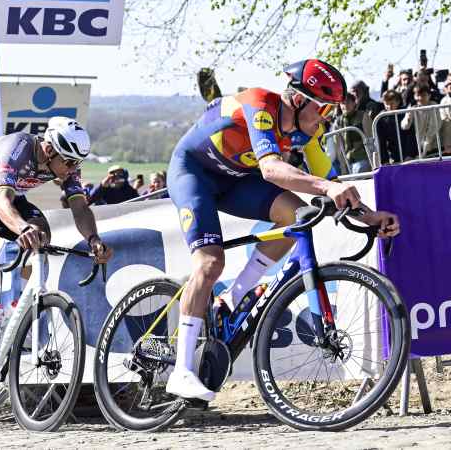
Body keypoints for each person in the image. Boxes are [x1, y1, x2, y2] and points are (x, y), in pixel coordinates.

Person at [164, 59, 401, 401]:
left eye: (331, 109)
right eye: (323, 107)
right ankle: (182, 372)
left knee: (296, 214)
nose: (327, 117)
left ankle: (233, 297)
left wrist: (371, 216)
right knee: (210, 264)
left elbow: (332, 184)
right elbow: (272, 169)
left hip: (235, 179)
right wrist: (326, 188)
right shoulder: (261, 104)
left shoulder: (309, 132)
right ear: (299, 99)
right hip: (194, 172)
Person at [0, 116, 113, 405]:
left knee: (42, 234)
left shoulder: (65, 162)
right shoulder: (19, 147)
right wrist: (21, 227)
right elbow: (1, 204)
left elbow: (80, 207)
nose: (73, 170)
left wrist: (94, 239)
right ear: (50, 151)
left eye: (76, 164)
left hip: (12, 202)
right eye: (70, 163)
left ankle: (14, 315)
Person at [331, 92, 371, 173]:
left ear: (354, 103)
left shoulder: (363, 116)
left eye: (348, 102)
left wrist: (372, 162)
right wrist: (343, 166)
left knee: (359, 169)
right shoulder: (337, 122)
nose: (345, 105)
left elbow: (370, 139)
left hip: (363, 158)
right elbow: (338, 147)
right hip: (347, 160)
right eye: (342, 103)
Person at [401, 85, 443, 157]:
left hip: (434, 143)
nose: (420, 98)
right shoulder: (413, 107)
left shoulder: (433, 106)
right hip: (418, 143)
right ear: (414, 96)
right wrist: (408, 118)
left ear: (429, 95)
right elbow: (405, 127)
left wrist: (426, 144)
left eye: (423, 95)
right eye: (418, 95)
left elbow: (434, 126)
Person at [377, 90, 417, 163]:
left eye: (392, 103)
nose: (389, 106)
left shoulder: (405, 113)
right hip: (393, 155)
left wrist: (410, 154)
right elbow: (381, 141)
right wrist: (384, 160)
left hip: (408, 154)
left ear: (398, 101)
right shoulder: (381, 117)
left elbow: (411, 135)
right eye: (386, 104)